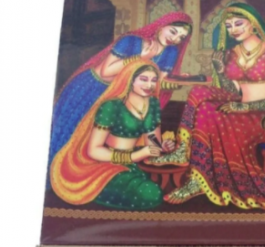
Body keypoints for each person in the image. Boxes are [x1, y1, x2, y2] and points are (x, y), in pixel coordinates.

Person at [151, 2, 265, 211]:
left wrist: (245, 108)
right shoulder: (231, 53)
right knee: (199, 94)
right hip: (239, 108)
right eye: (229, 26)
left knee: (214, 114)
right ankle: (188, 160)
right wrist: (220, 72)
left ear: (253, 24)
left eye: (239, 23)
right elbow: (235, 91)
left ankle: (198, 177)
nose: (233, 30)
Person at [48, 12, 192, 170]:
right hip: (92, 88)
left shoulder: (170, 52)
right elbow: (106, 72)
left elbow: (158, 82)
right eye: (173, 31)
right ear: (161, 26)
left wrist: (177, 82)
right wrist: (141, 57)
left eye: (181, 37)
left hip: (117, 95)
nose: (175, 38)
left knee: (95, 141)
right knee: (72, 135)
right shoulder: (131, 41)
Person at [49, 60, 176, 211]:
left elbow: (152, 140)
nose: (149, 85)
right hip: (105, 165)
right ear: (130, 79)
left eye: (154, 80)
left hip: (134, 163)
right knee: (150, 194)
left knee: (154, 191)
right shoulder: (112, 106)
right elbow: (94, 150)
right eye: (143, 79)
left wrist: (161, 147)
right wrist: (133, 156)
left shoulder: (152, 103)